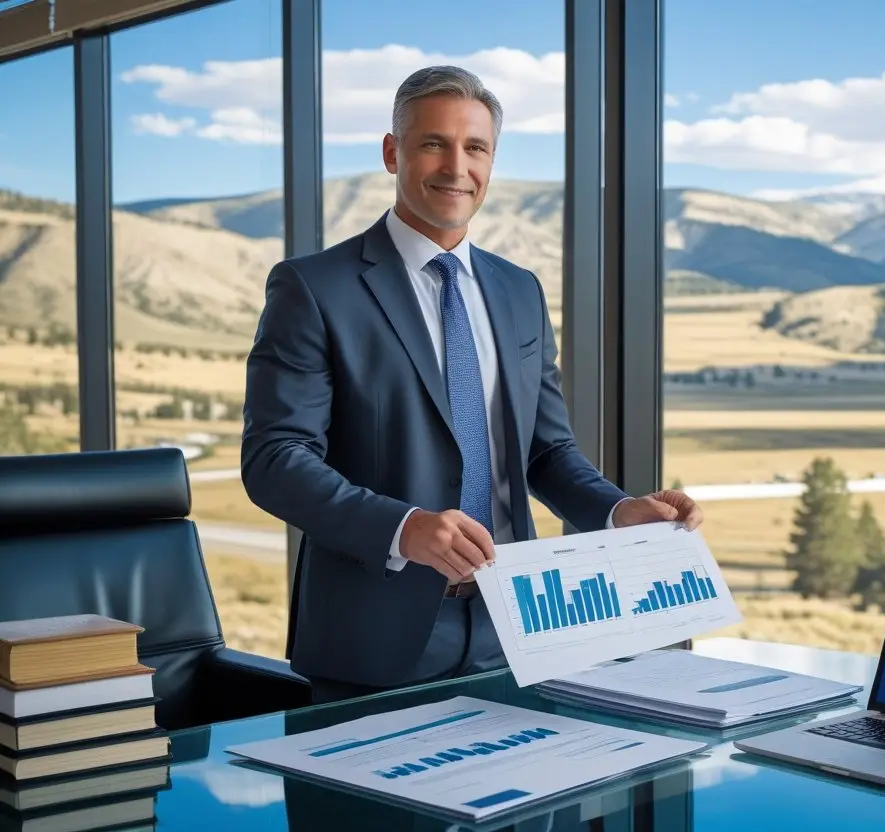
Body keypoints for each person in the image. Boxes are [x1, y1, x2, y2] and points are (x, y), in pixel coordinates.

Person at [241, 65, 703, 705]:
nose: (456, 166)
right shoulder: (315, 288)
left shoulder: (519, 290)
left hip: (520, 629)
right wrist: (403, 527)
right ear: (392, 152)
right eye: (433, 143)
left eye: (475, 147)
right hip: (373, 640)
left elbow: (546, 452)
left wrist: (619, 511)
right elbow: (275, 460)